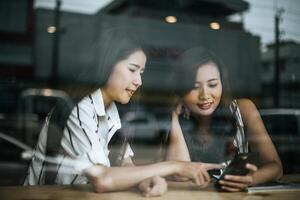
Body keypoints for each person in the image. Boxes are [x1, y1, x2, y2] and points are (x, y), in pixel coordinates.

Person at [25, 28, 222, 197]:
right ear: (108, 64)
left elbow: (124, 164)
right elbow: (102, 179)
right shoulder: (78, 108)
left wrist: (144, 180)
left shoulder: (110, 109)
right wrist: (175, 166)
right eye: (133, 69)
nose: (139, 81)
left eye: (141, 73)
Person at [166, 46, 283, 192]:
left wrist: (250, 180)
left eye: (213, 84)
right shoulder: (174, 121)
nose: (205, 95)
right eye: (195, 87)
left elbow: (275, 166)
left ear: (222, 83)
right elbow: (180, 176)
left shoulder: (242, 109)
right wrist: (175, 118)